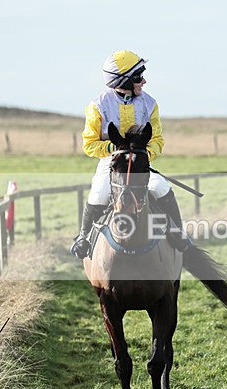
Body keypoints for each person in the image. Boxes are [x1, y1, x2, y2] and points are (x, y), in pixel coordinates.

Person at [71, 50, 185, 258]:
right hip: (112, 162)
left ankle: (179, 232)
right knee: (98, 192)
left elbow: (157, 140)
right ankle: (83, 238)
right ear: (124, 80)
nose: (144, 81)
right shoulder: (97, 105)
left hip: (140, 161)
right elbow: (89, 144)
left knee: (161, 187)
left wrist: (144, 155)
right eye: (139, 77)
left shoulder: (150, 104)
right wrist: (114, 150)